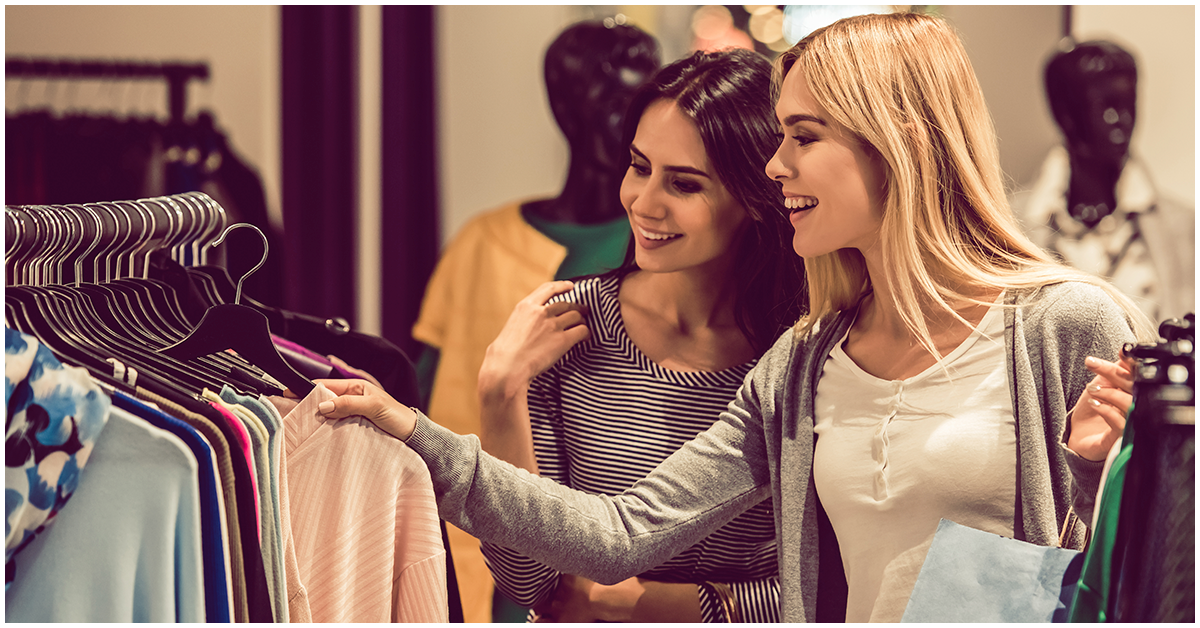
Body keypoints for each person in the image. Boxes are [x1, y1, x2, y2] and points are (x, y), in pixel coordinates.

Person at [314, 12, 1154, 623]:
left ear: (894, 139)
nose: (777, 164)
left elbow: (1155, 569)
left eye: (804, 135)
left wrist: (1092, 478)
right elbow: (618, 532)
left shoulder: (1063, 322)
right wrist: (415, 429)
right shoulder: (805, 362)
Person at [475, 48, 806, 623]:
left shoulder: (803, 352)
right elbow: (531, 582)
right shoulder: (570, 326)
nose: (643, 202)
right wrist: (499, 394)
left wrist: (671, 605)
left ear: (756, 197)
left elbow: (842, 582)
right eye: (638, 166)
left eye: (683, 184)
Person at [409, 20, 660, 621]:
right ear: (564, 109)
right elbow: (425, 398)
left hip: (623, 570)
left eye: (635, 102)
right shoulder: (481, 243)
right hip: (482, 547)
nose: (619, 125)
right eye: (604, 103)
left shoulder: (666, 249)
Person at [1010, 39, 1195, 325]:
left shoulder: (1181, 227)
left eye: (1128, 104)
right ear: (1066, 114)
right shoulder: (1012, 223)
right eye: (1105, 106)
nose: (1121, 120)